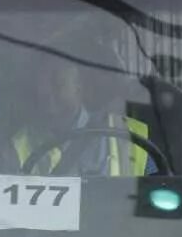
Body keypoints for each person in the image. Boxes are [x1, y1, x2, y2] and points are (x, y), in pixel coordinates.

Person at [9, 63, 155, 178]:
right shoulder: (18, 144)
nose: (46, 93)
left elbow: (154, 193)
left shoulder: (132, 134)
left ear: (79, 88)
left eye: (57, 84)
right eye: (41, 86)